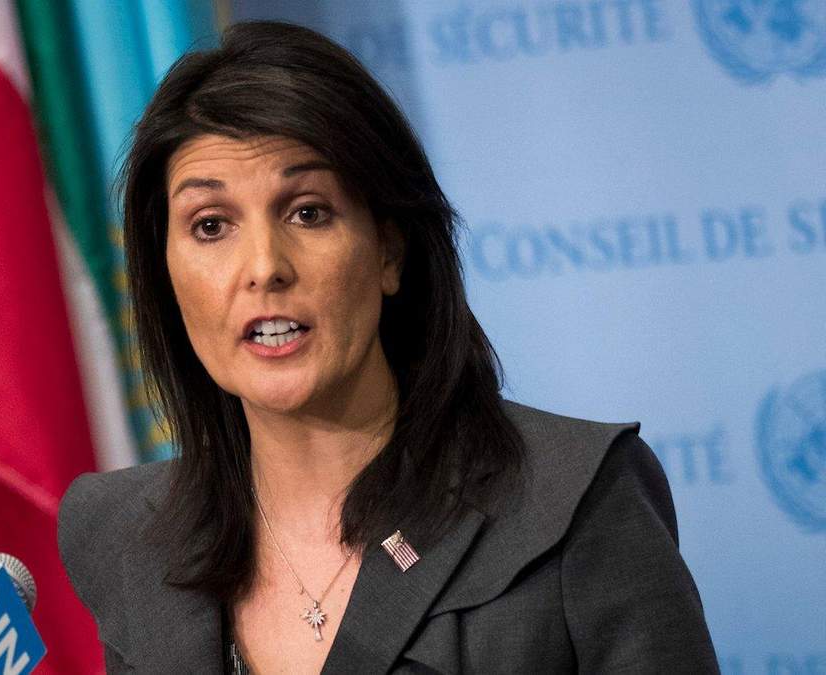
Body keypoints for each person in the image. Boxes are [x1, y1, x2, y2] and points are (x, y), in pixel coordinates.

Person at [57, 20, 718, 674]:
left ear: (389, 252)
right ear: (164, 272)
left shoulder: (571, 499)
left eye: (308, 212)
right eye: (210, 225)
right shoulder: (125, 536)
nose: (263, 267)